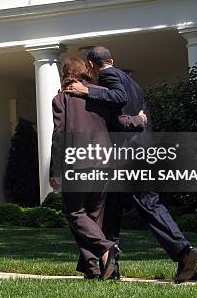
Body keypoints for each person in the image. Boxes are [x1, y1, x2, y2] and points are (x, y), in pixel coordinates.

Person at [64, 46, 197, 283]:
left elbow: (118, 100)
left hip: (125, 153)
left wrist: (86, 91)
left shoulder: (108, 76)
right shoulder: (134, 83)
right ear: (112, 59)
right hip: (141, 150)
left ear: (93, 65)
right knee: (139, 205)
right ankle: (179, 251)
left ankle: (109, 265)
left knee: (112, 210)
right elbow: (140, 115)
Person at [49, 57, 146, 280]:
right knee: (93, 218)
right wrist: (139, 119)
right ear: (85, 71)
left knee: (74, 212)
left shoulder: (61, 99)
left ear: (65, 74)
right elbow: (120, 123)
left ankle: (106, 248)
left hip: (78, 161)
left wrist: (55, 170)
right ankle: (92, 269)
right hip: (104, 162)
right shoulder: (101, 95)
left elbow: (59, 137)